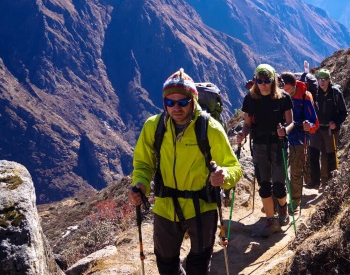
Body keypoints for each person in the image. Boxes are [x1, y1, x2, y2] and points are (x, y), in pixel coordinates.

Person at [129, 69, 242, 275]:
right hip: (165, 206)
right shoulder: (153, 127)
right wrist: (141, 186)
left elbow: (234, 167)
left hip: (202, 207)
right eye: (170, 103)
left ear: (193, 100)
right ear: (164, 103)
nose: (176, 108)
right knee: (166, 264)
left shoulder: (210, 128)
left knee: (198, 266)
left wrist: (224, 176)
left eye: (182, 102)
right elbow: (143, 164)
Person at [236, 64, 293, 237]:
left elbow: (291, 122)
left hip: (278, 144)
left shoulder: (283, 98)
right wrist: (242, 134)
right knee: (264, 186)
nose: (263, 84)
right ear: (255, 81)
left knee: (279, 186)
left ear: (273, 80)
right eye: (259, 81)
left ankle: (283, 208)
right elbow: (247, 124)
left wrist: (285, 131)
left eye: (267, 80)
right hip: (260, 145)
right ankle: (271, 221)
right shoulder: (250, 99)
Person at [280, 71, 318, 213]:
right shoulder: (279, 95)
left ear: (294, 85)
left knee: (296, 170)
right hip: (281, 137)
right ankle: (280, 201)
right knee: (280, 170)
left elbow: (314, 120)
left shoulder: (304, 96)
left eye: (287, 89)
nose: (285, 92)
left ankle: (295, 201)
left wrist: (310, 126)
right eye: (283, 88)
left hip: (299, 137)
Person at [308, 68, 348, 191]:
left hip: (330, 130)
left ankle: (330, 183)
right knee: (313, 153)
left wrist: (336, 123)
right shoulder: (315, 93)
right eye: (320, 79)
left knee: (329, 155)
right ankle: (315, 181)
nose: (322, 82)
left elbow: (344, 112)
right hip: (317, 128)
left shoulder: (336, 93)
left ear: (329, 80)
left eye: (324, 79)